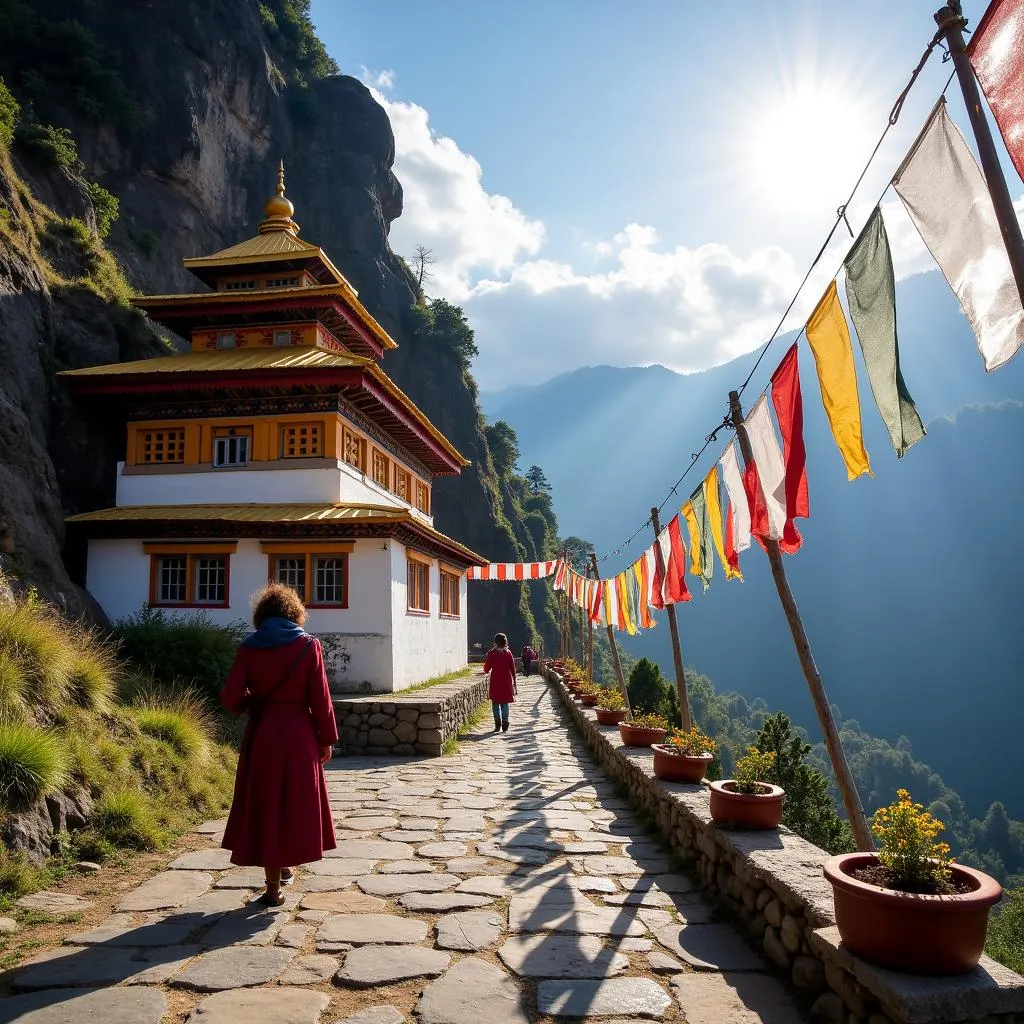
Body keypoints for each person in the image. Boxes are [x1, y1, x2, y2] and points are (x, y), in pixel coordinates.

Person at [220, 582, 338, 906]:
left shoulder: (249, 647)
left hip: (263, 735)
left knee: (268, 804)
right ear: (294, 613)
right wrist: (326, 739)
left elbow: (230, 697)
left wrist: (253, 704)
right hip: (299, 734)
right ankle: (285, 865)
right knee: (293, 803)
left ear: (262, 615)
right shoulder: (308, 646)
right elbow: (321, 699)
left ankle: (273, 887)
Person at [482, 632, 517, 733]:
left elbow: (486, 669)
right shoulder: (508, 653)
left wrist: (485, 668)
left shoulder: (491, 653)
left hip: (495, 682)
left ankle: (497, 725)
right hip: (506, 681)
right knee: (505, 703)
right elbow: (513, 668)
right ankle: (505, 725)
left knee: (496, 703)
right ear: (505, 642)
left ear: (495, 642)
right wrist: (514, 681)